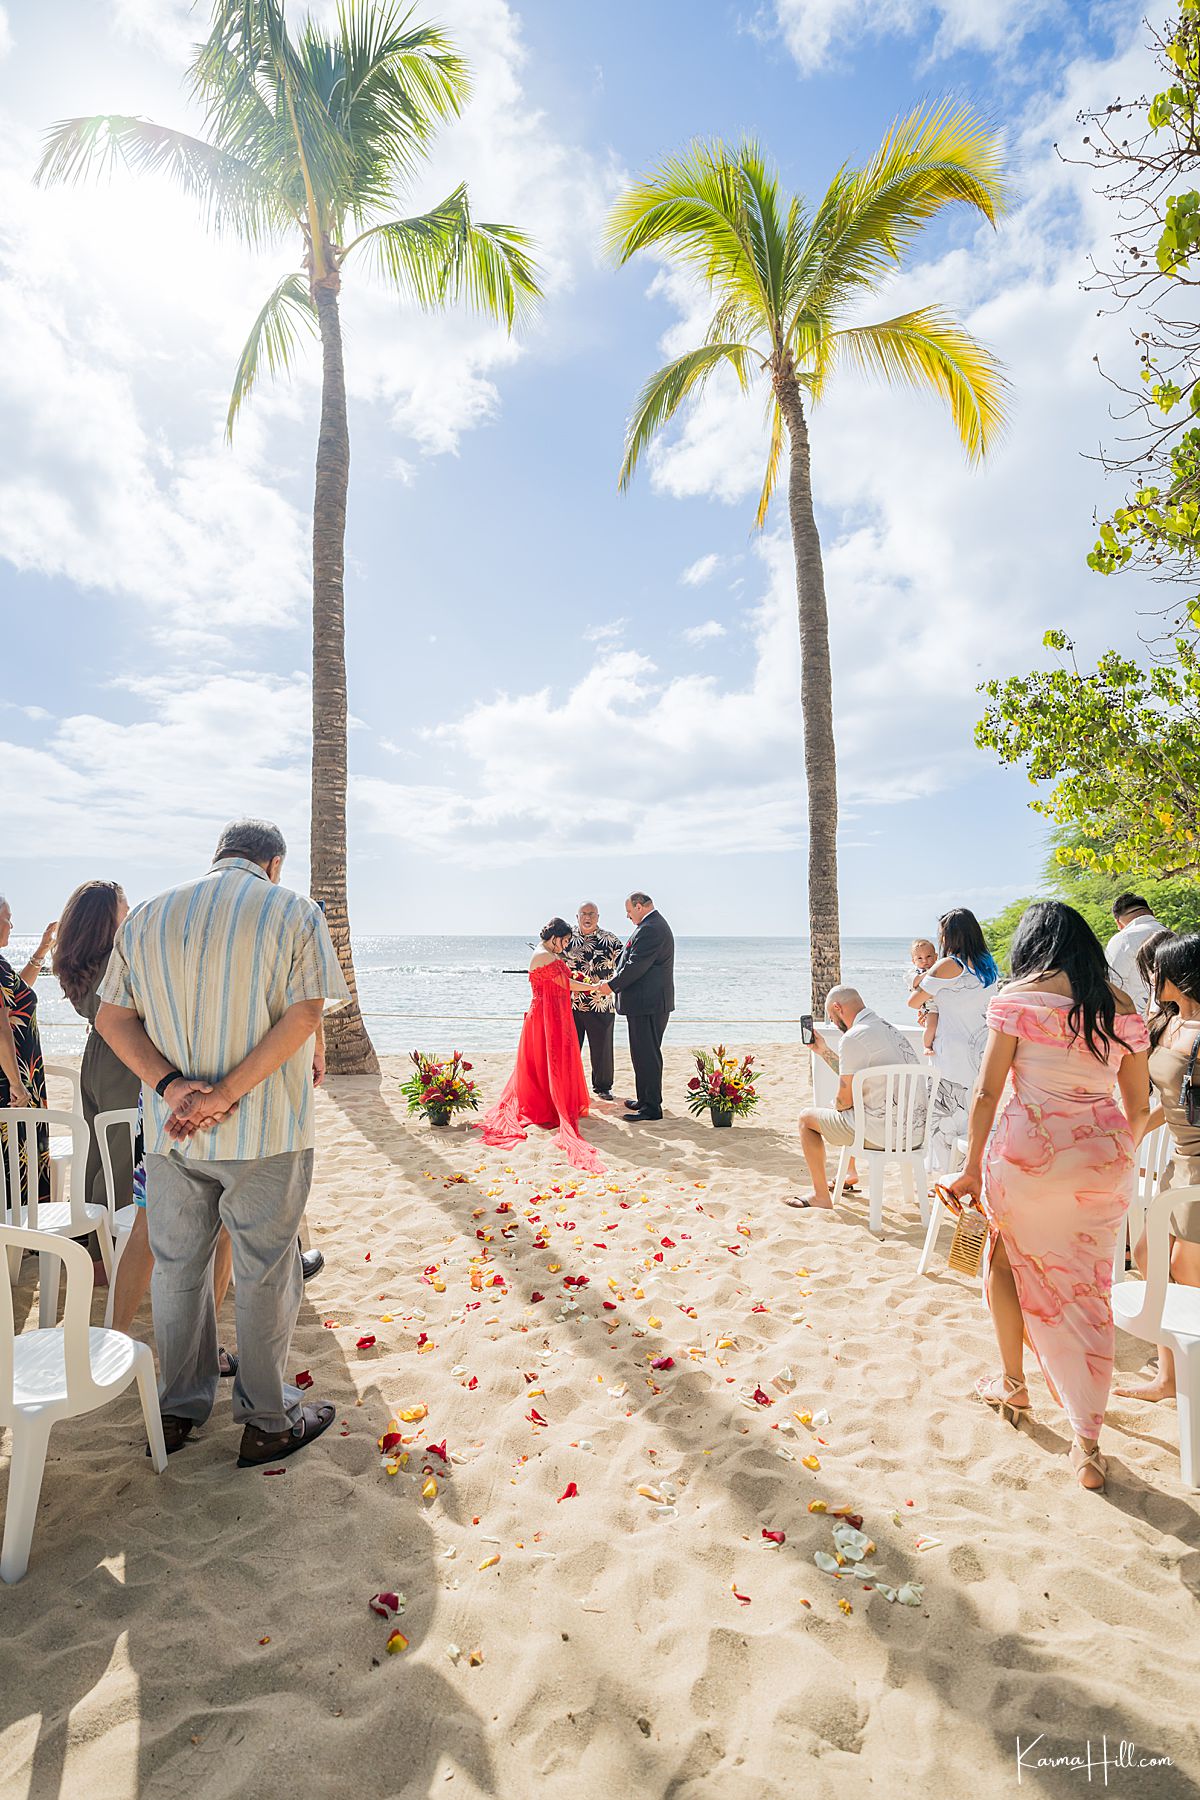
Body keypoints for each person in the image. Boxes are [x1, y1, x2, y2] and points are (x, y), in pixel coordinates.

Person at [96, 818, 349, 1467]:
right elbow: (306, 1013)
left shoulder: (148, 916)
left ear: (218, 856)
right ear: (272, 863)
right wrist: (228, 1092)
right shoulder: (292, 910)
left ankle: (180, 1410)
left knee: (179, 1271)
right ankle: (267, 1419)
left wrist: (175, 1086)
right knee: (266, 1272)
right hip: (267, 1131)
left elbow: (112, 1018)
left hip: (172, 1132)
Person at [949, 901, 1150, 1492]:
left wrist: (968, 1168)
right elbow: (1137, 1106)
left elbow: (987, 1093)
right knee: (1088, 1286)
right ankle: (1086, 1444)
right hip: (1102, 1158)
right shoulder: (1121, 1007)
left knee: (1004, 1260)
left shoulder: (1017, 998)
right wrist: (1108, 1155)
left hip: (1027, 1156)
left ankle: (1013, 1382)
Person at [1113, 932, 1200, 1404]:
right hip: (1178, 1162)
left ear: (1181, 974)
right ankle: (1170, 1374)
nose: (1152, 974)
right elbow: (1174, 1102)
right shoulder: (1171, 1023)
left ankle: (1178, 1375)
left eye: (1159, 967)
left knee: (1186, 1274)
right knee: (1148, 1257)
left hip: (1198, 1168)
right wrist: (1132, 1136)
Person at [478, 919, 604, 1171]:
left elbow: (564, 979)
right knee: (546, 1061)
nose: (566, 946)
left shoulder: (547, 953)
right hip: (544, 1018)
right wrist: (593, 988)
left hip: (551, 1014)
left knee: (549, 1061)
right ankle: (547, 1104)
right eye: (565, 941)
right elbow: (565, 984)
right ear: (554, 936)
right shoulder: (543, 956)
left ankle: (551, 1099)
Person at [789, 985, 922, 1209]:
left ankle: (821, 1196)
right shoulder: (886, 1028)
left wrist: (839, 1105)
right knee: (850, 1111)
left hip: (881, 1134)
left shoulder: (853, 1037)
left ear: (837, 1008)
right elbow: (859, 1077)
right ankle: (848, 1172)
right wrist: (823, 1051)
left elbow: (844, 1101)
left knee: (806, 1119)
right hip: (913, 1132)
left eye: (831, 1017)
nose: (833, 1023)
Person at [906, 908, 1000, 1170]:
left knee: (946, 1113)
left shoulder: (949, 964)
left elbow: (913, 1001)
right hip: (981, 1046)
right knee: (974, 1109)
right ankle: (973, 1169)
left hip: (952, 1048)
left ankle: (947, 1174)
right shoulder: (988, 965)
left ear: (949, 936)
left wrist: (929, 1002)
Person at [594, 893, 675, 1122]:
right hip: (645, 1004)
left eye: (629, 911)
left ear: (639, 907)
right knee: (641, 1054)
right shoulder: (651, 925)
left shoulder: (651, 928)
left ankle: (651, 1108)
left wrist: (611, 986)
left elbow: (636, 965)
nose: (628, 916)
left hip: (648, 1004)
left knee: (646, 1055)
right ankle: (645, 1099)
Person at [0, 894, 56, 1207]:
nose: (12, 924)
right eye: (8, 917)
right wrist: (16, 1083)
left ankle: (18, 1241)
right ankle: (17, 1238)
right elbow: (1, 1027)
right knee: (15, 1155)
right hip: (11, 1078)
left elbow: (16, 997)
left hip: (16, 1073)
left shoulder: (0, 964)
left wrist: (41, 951)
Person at [564, 903, 623, 1101]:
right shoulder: (566, 938)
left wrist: (615, 985)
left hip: (601, 1002)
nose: (587, 917)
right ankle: (569, 1085)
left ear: (598, 916)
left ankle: (603, 1087)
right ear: (577, 916)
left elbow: (625, 966)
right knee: (570, 1047)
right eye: (583, 914)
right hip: (572, 1003)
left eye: (591, 914)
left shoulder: (610, 939)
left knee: (602, 1048)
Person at [1106, 892, 1165, 1015]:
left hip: (1143, 1021)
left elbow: (1113, 987)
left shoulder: (1122, 939)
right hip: (1181, 1019)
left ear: (1118, 922)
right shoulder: (1172, 934)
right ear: (1152, 912)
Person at [909, 937, 939, 1056]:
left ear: (936, 957)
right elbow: (914, 982)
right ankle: (927, 1046)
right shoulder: (914, 973)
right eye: (919, 958)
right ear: (913, 961)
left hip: (940, 1004)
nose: (924, 961)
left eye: (929, 956)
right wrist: (930, 973)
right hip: (929, 1006)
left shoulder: (941, 969)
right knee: (931, 1026)